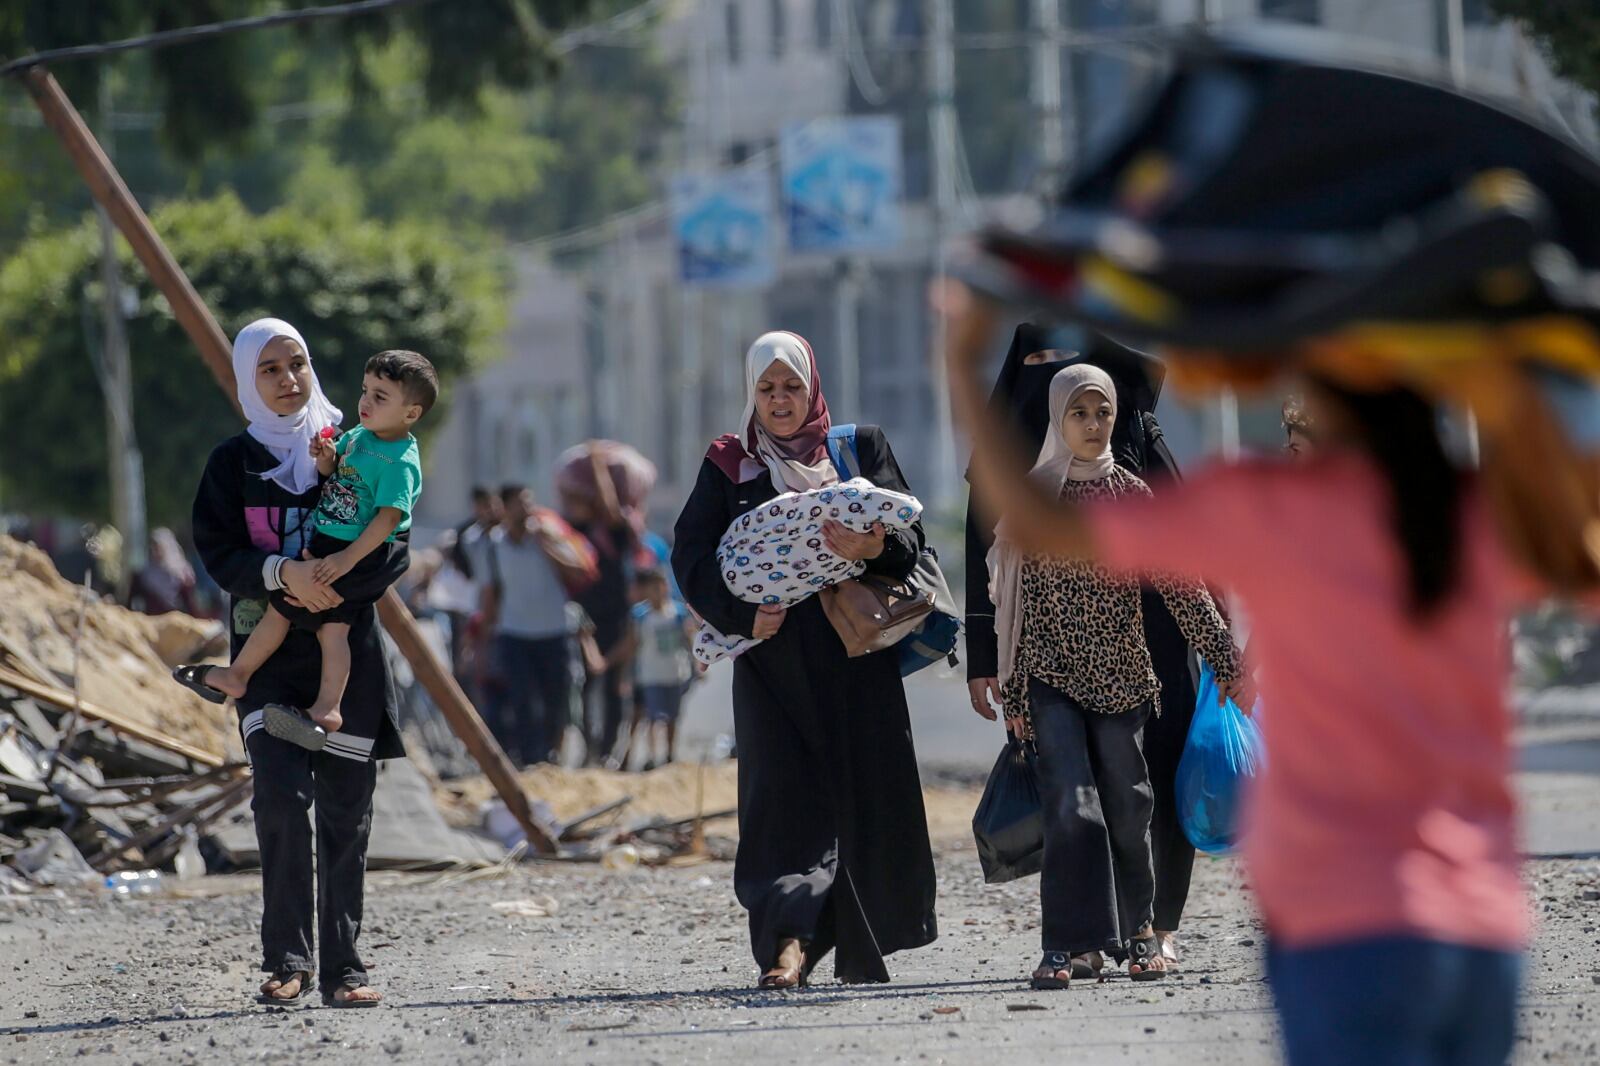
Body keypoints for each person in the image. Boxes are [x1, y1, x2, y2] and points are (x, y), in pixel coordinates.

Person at [672, 330, 937, 988]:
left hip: (855, 660)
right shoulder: (731, 463)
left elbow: (911, 543)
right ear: (751, 394)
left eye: (792, 386)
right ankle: (785, 944)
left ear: (813, 387)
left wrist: (868, 548)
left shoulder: (857, 449)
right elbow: (691, 558)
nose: (781, 400)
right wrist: (743, 617)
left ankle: (856, 942)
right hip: (773, 665)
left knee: (861, 798)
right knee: (782, 801)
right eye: (767, 388)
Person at [983, 363, 1244, 988]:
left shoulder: (1132, 494)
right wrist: (1015, 691)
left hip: (1124, 676)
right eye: (1080, 413)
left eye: (1103, 413)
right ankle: (1067, 945)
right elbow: (1014, 609)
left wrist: (1226, 660)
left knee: (1129, 807)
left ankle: (1140, 933)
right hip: (1049, 676)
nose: (1095, 424)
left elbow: (1181, 588)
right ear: (1058, 420)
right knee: (1071, 805)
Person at [187, 317, 406, 1008]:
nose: (288, 380)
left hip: (346, 665)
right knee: (280, 803)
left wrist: (328, 582)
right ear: (249, 380)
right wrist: (282, 571)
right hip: (268, 664)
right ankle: (286, 961)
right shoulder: (232, 465)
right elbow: (219, 552)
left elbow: (393, 541)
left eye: (298, 364)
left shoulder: (357, 447)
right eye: (271, 369)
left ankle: (344, 969)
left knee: (347, 813)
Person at [177, 350, 435, 747]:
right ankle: (237, 675)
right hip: (327, 549)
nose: (365, 402)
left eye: (380, 397)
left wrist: (345, 563)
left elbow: (389, 522)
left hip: (357, 557)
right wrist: (326, 460)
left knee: (334, 631)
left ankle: (327, 709)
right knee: (281, 610)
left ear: (411, 413)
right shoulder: (359, 437)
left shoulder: (400, 459)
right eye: (366, 391)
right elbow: (338, 476)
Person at [481, 484, 598, 766]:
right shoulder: (494, 544)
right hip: (514, 632)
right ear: (505, 508)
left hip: (553, 632)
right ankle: (530, 758)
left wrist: (547, 544)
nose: (527, 509)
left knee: (554, 699)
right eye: (520, 503)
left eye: (529, 502)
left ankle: (551, 755)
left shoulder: (550, 535)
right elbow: (490, 591)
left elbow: (579, 572)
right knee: (521, 699)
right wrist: (484, 635)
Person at [614, 568, 696, 770]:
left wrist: (696, 664)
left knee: (672, 718)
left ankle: (668, 754)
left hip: (674, 673)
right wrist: (625, 674)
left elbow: (688, 640)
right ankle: (651, 756)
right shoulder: (640, 616)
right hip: (650, 674)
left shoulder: (677, 613)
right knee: (652, 718)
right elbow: (632, 645)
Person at [133, 527, 202, 616]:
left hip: (174, 623)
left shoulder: (181, 574)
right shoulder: (144, 574)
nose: (156, 552)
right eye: (154, 547)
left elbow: (190, 605)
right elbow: (133, 600)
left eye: (160, 548)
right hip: (151, 624)